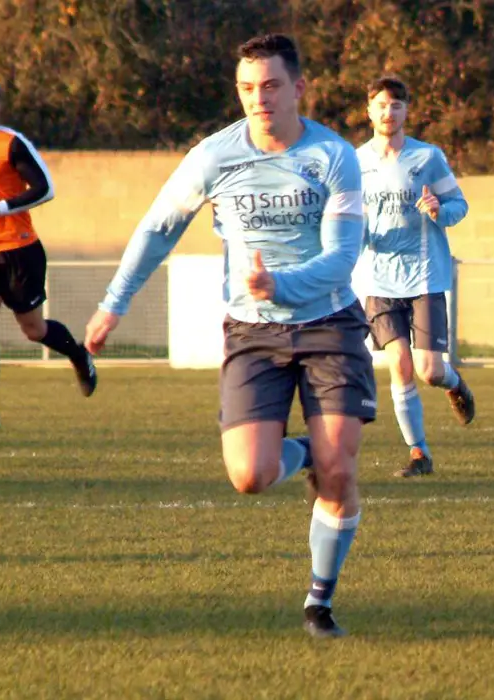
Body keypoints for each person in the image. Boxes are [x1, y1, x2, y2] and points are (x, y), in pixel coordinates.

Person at [84, 34, 375, 640]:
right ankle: (300, 452)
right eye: (246, 88)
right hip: (252, 332)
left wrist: (281, 285)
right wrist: (113, 304)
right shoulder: (213, 156)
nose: (258, 99)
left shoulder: (335, 156)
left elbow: (343, 257)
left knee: (339, 471)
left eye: (270, 86)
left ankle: (319, 604)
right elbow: (157, 228)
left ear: (298, 88)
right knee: (249, 476)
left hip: (329, 323)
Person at [356, 76, 474, 478]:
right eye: (381, 104)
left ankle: (455, 383)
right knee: (400, 365)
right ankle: (419, 454)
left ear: (407, 111)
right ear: (369, 109)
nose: (388, 112)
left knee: (429, 370)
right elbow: (347, 219)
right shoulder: (356, 162)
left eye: (396, 105)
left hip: (424, 276)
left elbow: (460, 205)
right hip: (378, 281)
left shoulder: (428, 158)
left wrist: (441, 209)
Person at [0, 77, 97, 431]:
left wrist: (0, 207)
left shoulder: (10, 145)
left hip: (19, 250)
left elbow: (45, 188)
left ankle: (78, 355)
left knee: (33, 330)